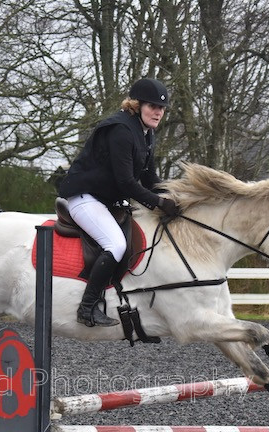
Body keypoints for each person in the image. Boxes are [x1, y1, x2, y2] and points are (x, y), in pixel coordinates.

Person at [57, 78, 180, 327]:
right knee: (115, 244)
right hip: (85, 197)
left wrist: (175, 195)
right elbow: (126, 183)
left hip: (106, 201)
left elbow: (148, 178)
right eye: (152, 106)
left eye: (162, 108)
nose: (158, 112)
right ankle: (87, 307)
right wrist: (157, 203)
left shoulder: (146, 134)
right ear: (137, 105)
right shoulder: (121, 130)